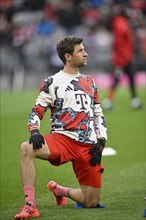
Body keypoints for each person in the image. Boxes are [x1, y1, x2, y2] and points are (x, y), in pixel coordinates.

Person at [14, 36, 107, 219]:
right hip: (62, 140)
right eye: (80, 50)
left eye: (84, 49)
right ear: (68, 56)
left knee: (91, 202)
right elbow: (37, 110)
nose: (86, 53)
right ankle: (30, 205)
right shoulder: (52, 82)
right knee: (26, 148)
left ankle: (60, 191)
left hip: (88, 146)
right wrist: (34, 130)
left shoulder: (90, 81)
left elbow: (97, 112)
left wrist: (102, 140)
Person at [102, 7, 142, 110]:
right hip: (123, 59)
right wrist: (124, 58)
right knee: (121, 79)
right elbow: (119, 43)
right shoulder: (121, 23)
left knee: (128, 78)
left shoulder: (120, 22)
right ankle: (109, 101)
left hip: (123, 57)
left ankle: (134, 100)